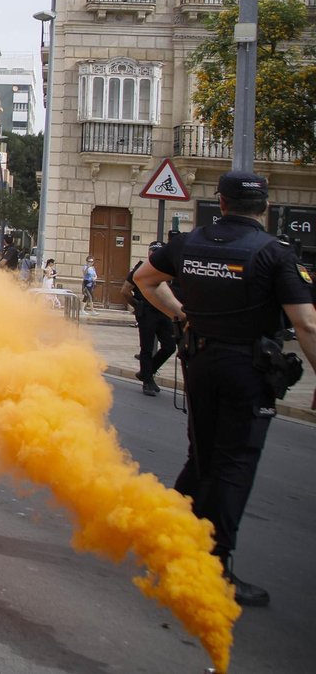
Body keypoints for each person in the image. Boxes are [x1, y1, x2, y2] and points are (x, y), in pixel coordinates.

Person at [133, 170, 316, 607]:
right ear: (265, 207)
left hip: (200, 362)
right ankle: (214, 570)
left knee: (205, 457)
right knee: (234, 464)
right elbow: (306, 323)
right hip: (247, 370)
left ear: (221, 202)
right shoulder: (274, 253)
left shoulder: (188, 244)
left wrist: (181, 315)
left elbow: (143, 280)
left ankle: (167, 536)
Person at [126, 240, 176, 396]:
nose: (154, 254)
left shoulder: (168, 270)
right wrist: (137, 305)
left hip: (163, 310)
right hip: (147, 311)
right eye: (152, 251)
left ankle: (147, 372)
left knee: (170, 346)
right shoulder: (141, 269)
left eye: (158, 251)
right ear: (148, 252)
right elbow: (125, 291)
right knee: (146, 347)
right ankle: (147, 381)